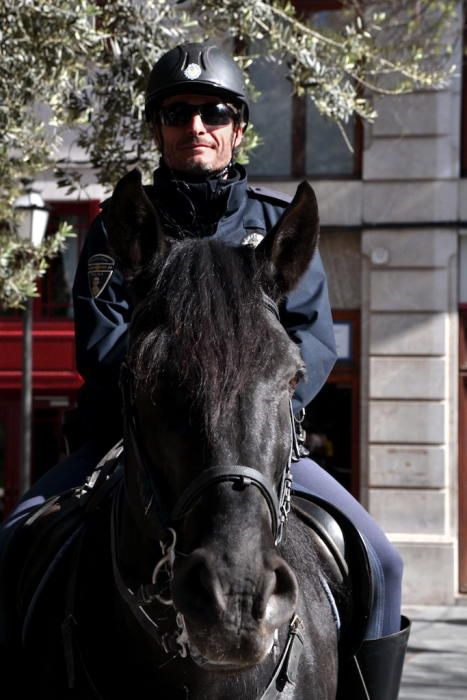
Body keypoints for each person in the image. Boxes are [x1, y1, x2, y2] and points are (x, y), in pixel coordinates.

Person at [2, 42, 409, 697]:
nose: (195, 126)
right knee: (11, 543)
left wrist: (245, 393)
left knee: (382, 563)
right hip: (129, 437)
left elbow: (312, 341)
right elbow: (100, 341)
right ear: (158, 128)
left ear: (237, 128)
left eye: (213, 112)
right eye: (176, 113)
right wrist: (184, 376)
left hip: (255, 437)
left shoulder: (274, 227)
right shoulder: (117, 231)